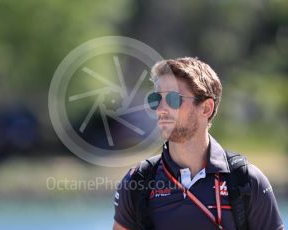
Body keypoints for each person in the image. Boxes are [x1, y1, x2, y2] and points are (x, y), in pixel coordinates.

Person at [113, 57, 284, 230]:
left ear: (206, 108)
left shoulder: (247, 181)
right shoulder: (137, 182)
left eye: (173, 99)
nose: (160, 109)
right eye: (156, 99)